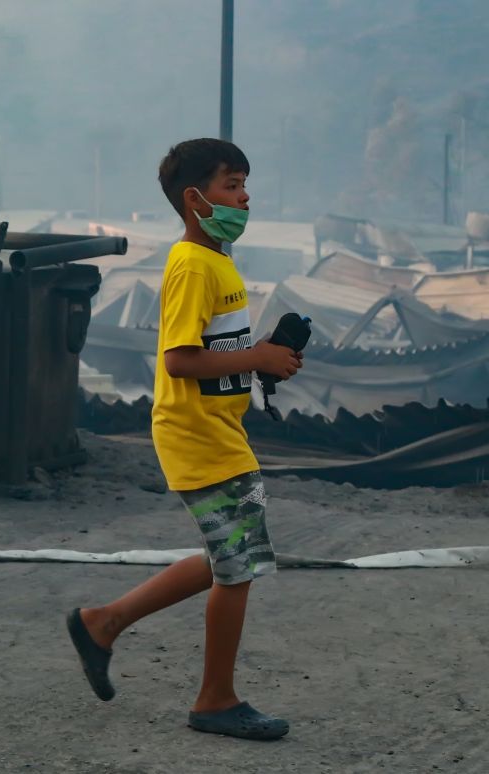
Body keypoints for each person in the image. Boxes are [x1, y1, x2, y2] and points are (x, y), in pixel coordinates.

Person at [67, 138, 302, 741]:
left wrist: (262, 361)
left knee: (232, 555)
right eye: (232, 186)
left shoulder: (217, 261)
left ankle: (103, 623)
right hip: (198, 435)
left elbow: (216, 355)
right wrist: (259, 356)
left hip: (218, 430)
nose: (245, 197)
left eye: (246, 184)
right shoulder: (194, 264)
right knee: (239, 563)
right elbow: (179, 360)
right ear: (195, 199)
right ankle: (215, 700)